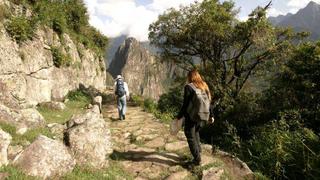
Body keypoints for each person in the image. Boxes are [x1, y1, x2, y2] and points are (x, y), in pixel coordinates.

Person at [176, 69, 211, 166]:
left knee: (190, 136)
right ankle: (198, 151)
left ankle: (197, 159)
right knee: (196, 132)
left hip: (191, 116)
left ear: (190, 77)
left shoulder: (189, 87)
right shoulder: (204, 85)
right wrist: (211, 115)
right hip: (203, 115)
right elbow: (209, 102)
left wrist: (179, 116)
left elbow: (185, 104)